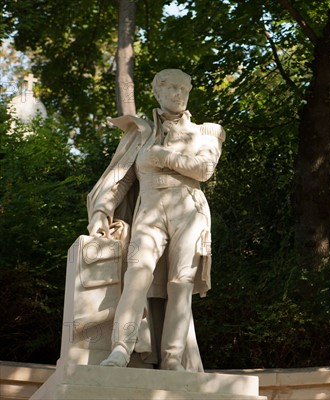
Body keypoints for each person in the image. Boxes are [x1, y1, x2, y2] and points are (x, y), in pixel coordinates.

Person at [86, 69, 225, 371]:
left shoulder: (206, 132)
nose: (178, 94)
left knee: (181, 283)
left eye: (183, 89)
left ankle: (173, 359)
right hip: (149, 209)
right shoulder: (140, 133)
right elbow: (119, 181)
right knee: (137, 276)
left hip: (189, 210)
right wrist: (100, 211)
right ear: (157, 93)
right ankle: (121, 349)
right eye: (171, 88)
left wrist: (160, 155)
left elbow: (204, 170)